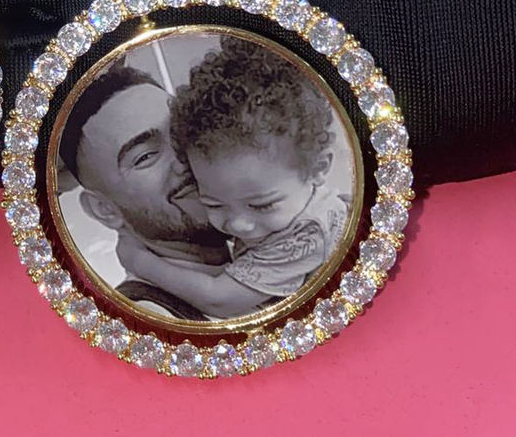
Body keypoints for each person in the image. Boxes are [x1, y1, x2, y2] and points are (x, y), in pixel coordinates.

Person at [117, 35, 349, 319]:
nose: (238, 224)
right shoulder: (282, 208)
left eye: (262, 205)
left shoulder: (308, 233)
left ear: (318, 169)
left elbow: (218, 300)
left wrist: (139, 262)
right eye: (213, 204)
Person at [58, 64, 229, 320]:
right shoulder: (145, 321)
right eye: (145, 156)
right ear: (104, 210)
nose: (184, 158)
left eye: (181, 130)